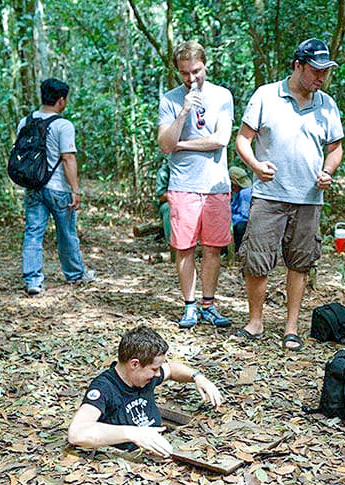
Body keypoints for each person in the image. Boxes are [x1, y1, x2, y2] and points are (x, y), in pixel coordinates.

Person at [234, 37, 344, 351]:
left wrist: (328, 171)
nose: (320, 78)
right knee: (256, 260)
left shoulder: (327, 105)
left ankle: (291, 328)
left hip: (309, 199)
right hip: (269, 194)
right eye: (315, 70)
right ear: (298, 65)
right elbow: (243, 139)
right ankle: (255, 323)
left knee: (300, 262)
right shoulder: (266, 96)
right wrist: (255, 165)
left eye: (325, 72)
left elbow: (335, 149)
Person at [157, 40, 234, 329]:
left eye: (197, 71)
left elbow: (220, 139)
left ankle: (209, 305)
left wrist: (183, 144)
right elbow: (165, 145)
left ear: (205, 64)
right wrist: (184, 112)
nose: (191, 78)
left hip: (215, 184)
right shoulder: (170, 100)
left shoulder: (222, 95)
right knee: (184, 248)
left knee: (214, 248)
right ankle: (189, 306)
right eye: (185, 73)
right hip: (183, 185)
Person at [67, 326, 223, 456]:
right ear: (134, 364)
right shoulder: (104, 388)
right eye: (154, 369)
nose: (158, 373)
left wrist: (198, 377)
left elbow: (173, 369)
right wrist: (134, 434)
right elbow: (77, 432)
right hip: (128, 457)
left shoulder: (145, 376)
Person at [20, 78, 95, 296]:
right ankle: (74, 274)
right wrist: (75, 189)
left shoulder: (25, 121)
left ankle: (33, 280)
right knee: (66, 233)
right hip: (59, 189)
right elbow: (68, 159)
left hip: (34, 186)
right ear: (61, 100)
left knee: (33, 232)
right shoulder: (63, 125)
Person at [229, 166, 252, 251]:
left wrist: (230, 219)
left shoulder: (244, 193)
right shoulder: (237, 193)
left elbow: (245, 216)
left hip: (243, 224)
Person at [154, 160, 172, 244]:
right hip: (168, 203)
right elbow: (161, 196)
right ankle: (171, 242)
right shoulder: (164, 172)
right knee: (169, 209)